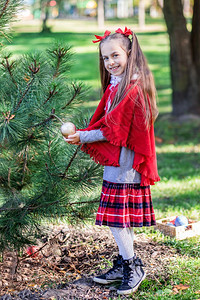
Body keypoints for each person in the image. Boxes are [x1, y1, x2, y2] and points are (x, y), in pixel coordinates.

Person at [64, 27, 160, 295]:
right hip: (117, 164)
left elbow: (113, 130)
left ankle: (132, 266)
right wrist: (84, 135)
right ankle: (124, 263)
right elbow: (108, 124)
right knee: (120, 220)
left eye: (115, 55)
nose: (110, 63)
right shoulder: (118, 84)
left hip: (127, 165)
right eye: (105, 58)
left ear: (129, 53)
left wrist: (83, 136)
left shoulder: (132, 88)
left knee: (118, 221)